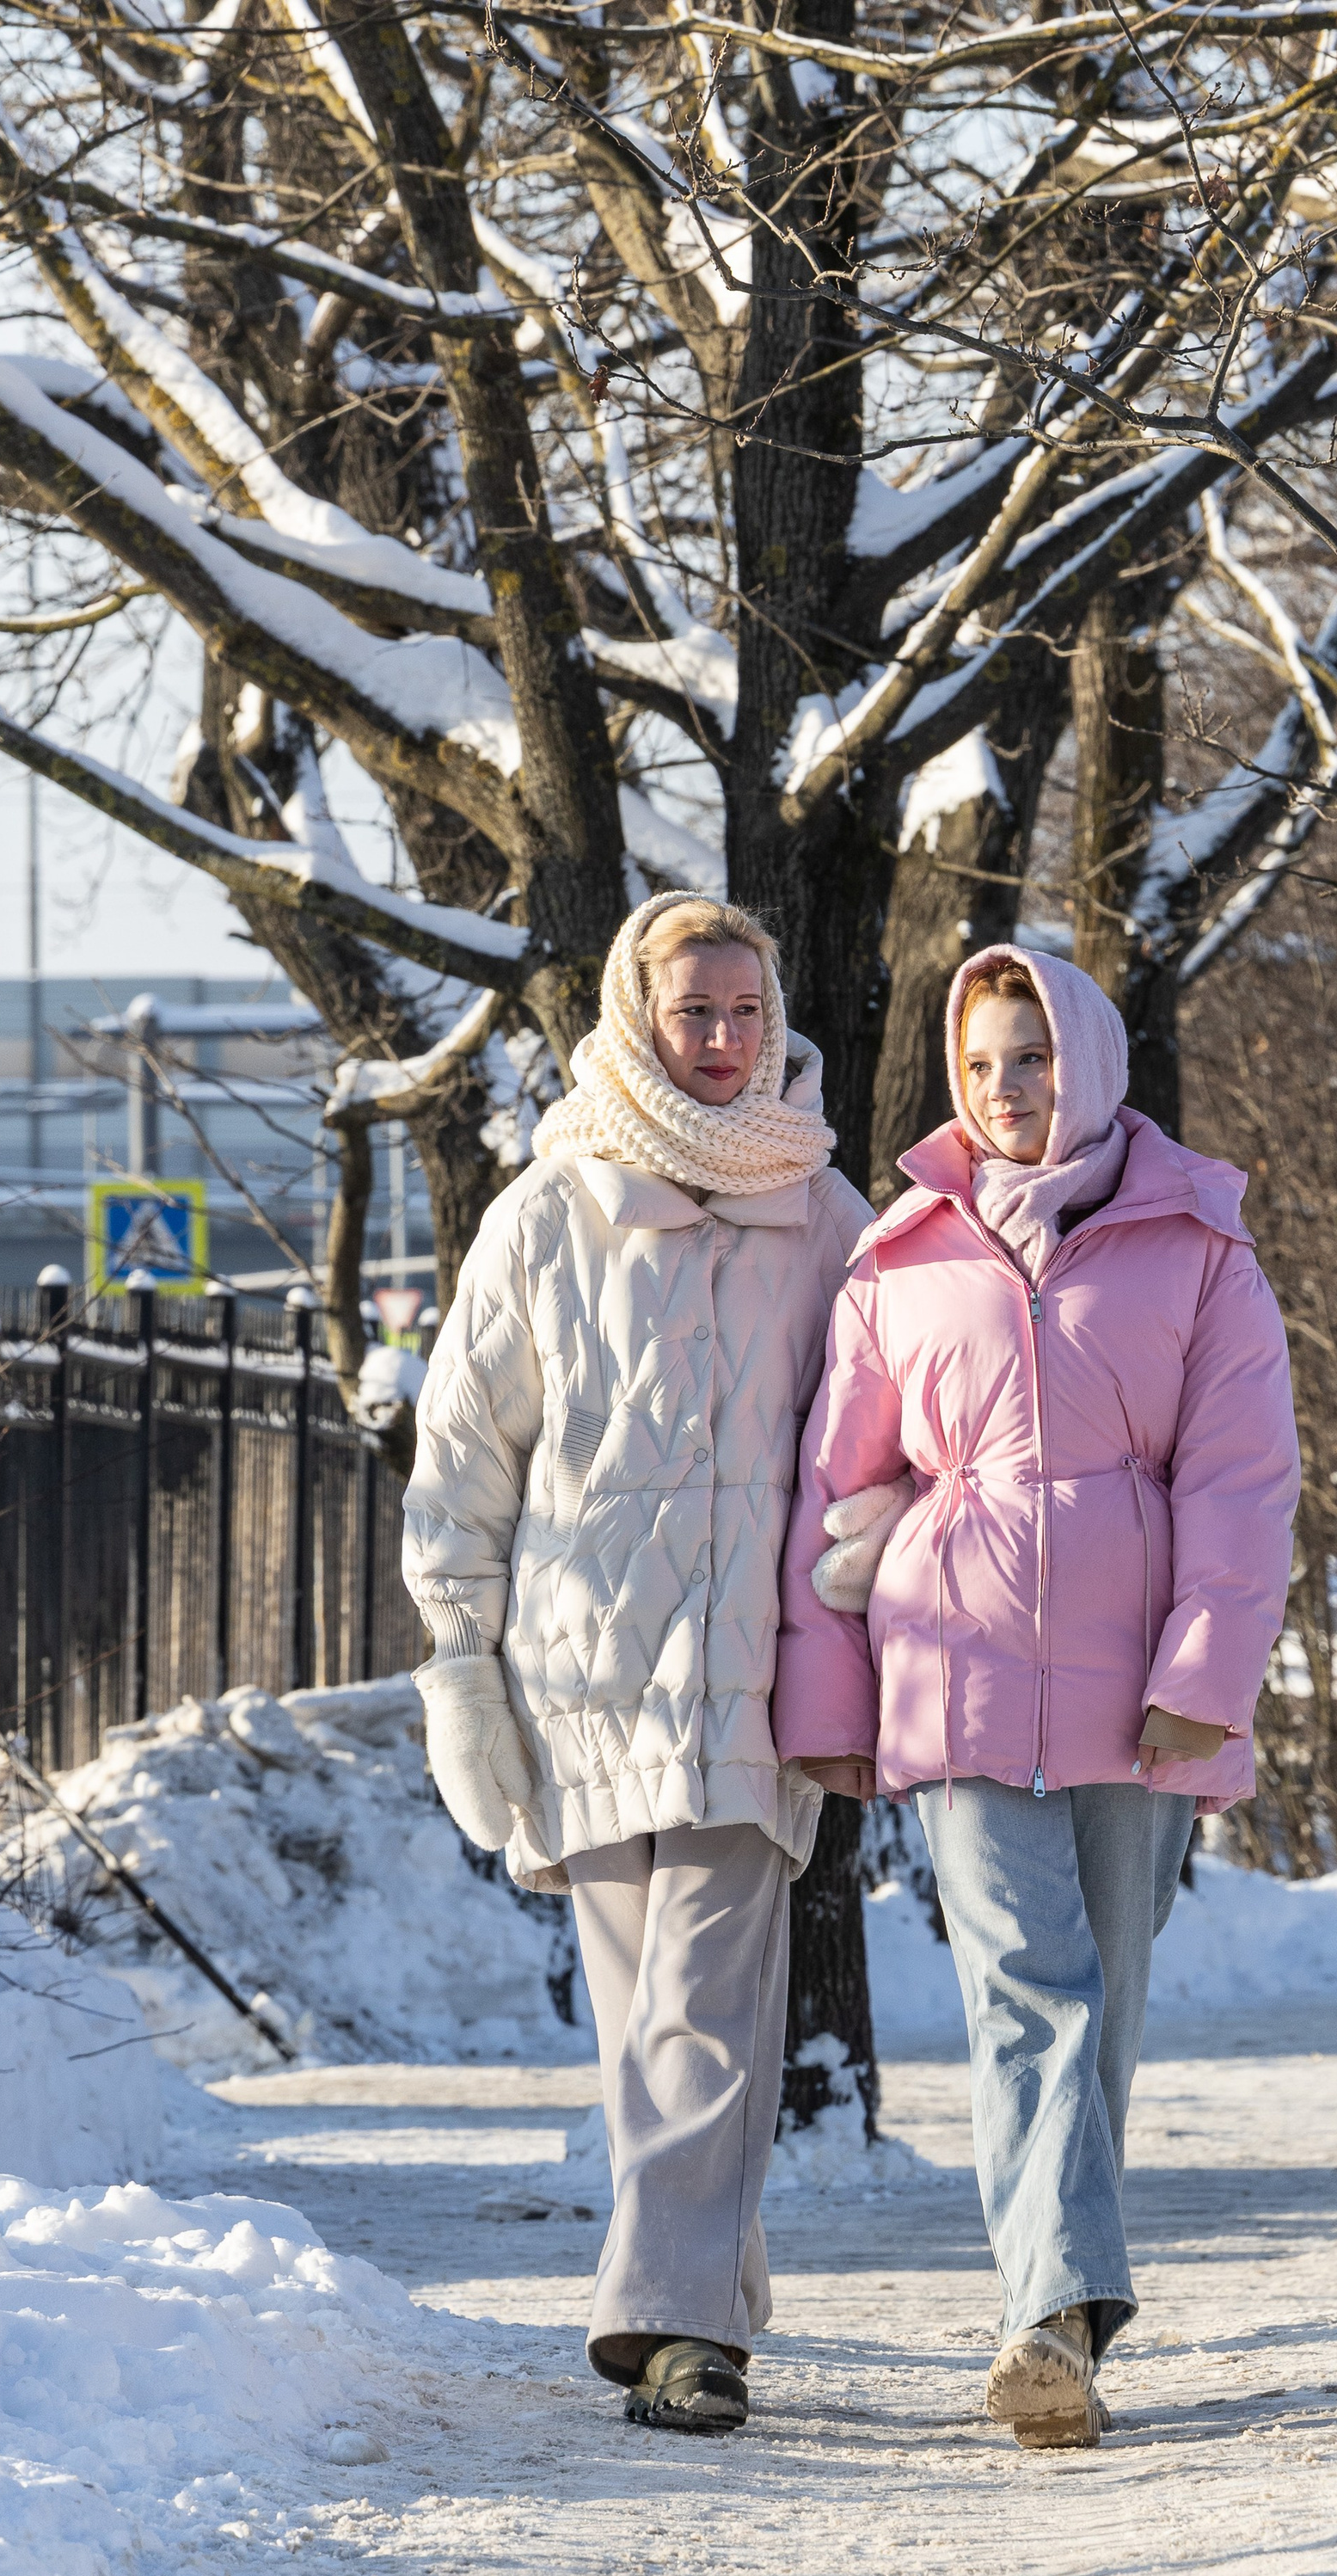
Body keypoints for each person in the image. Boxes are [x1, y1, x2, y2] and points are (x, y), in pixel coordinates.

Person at [775, 944, 1297, 2450]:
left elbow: (1242, 1482)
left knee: (1104, 2004)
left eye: (1037, 1059)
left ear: (1092, 1063)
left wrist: (1206, 1678)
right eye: (988, 1063)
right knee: (1024, 1992)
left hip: (1142, 1683)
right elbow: (839, 1493)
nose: (1010, 1090)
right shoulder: (903, 1253)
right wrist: (831, 1698)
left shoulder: (1200, 1246)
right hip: (953, 1662)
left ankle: (1058, 2302)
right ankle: (1049, 2319)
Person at [404, 890, 872, 2435]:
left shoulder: (828, 1214)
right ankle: (706, 2313)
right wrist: (458, 1655)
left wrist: (855, 1580)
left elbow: (878, 1439)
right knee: (646, 2030)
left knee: (701, 2003)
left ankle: (664, 2327)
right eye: (697, 1014)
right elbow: (466, 1450)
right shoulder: (548, 1211)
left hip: (751, 1674)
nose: (727, 1041)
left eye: (748, 1011)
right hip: (585, 1677)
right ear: (636, 1016)